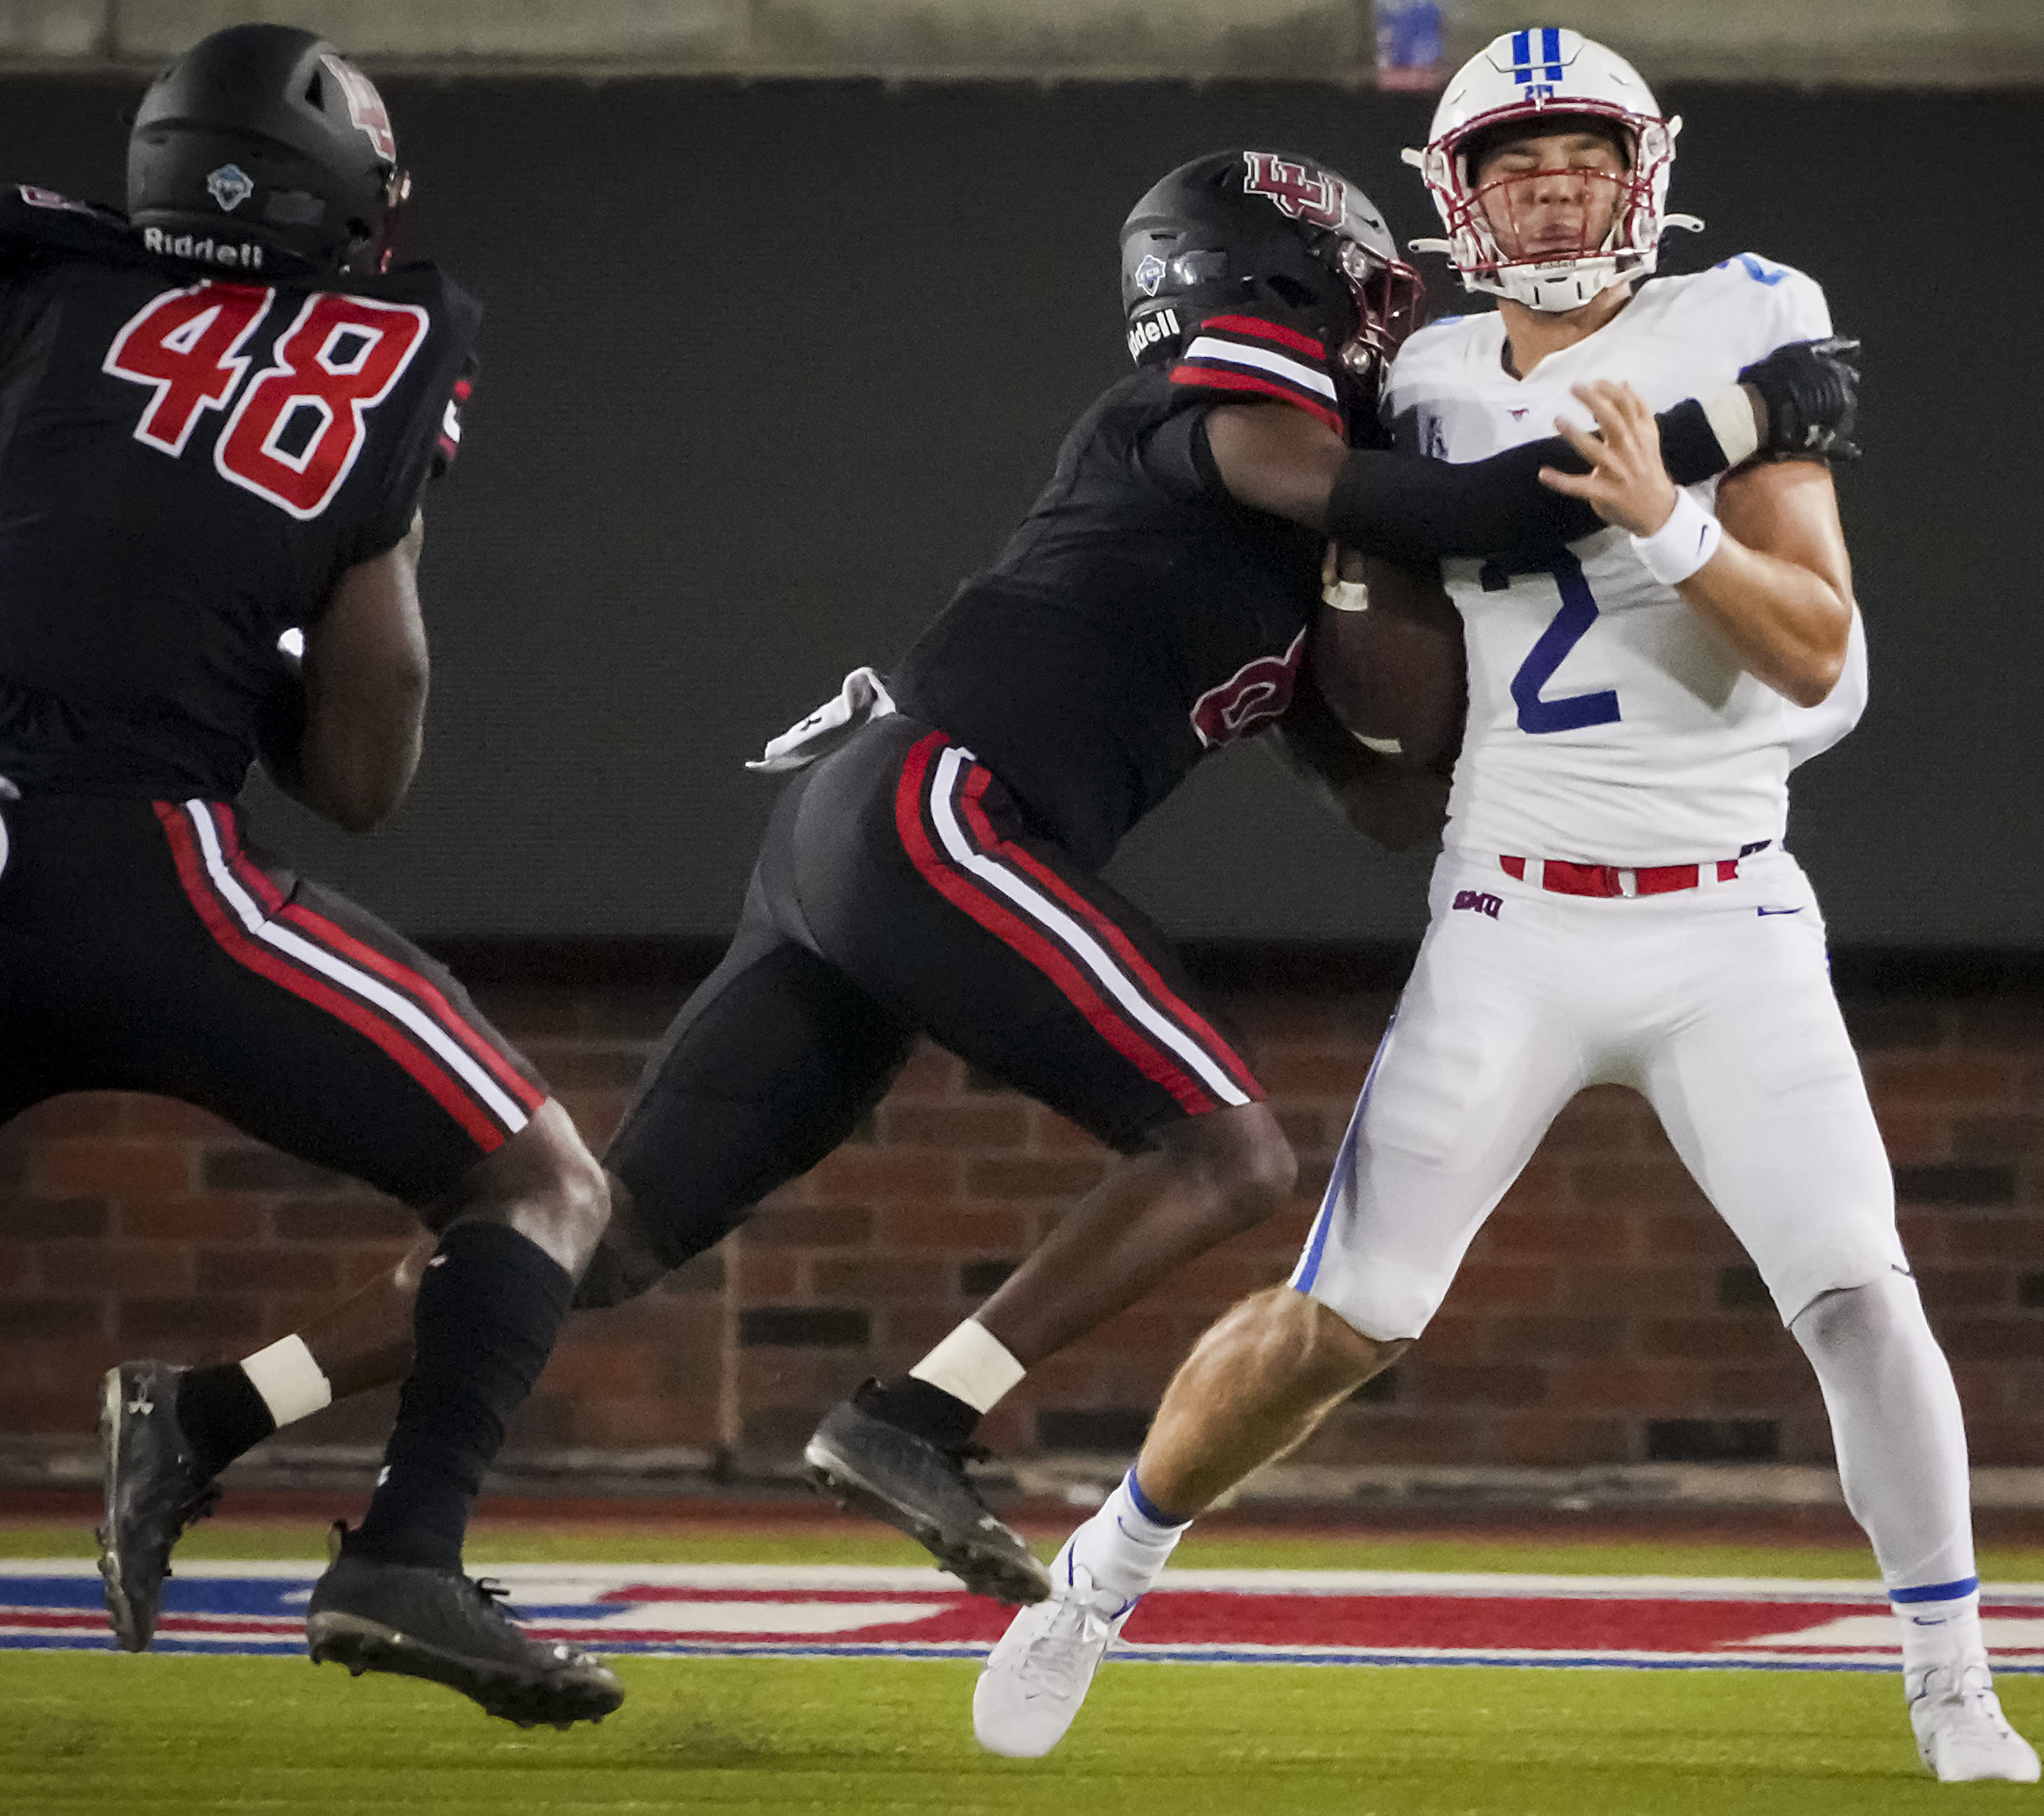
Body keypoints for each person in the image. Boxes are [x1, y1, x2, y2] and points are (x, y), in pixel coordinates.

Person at [95, 148, 1861, 1614]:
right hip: (940, 809)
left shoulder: (1318, 521)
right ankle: (913, 1416)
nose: (1388, 307)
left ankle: (205, 1408)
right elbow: (1447, 506)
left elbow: (1384, 794)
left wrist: (1382, 624)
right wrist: (1728, 429)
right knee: (1227, 1147)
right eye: (1359, 279)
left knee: (608, 1231)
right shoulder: (1221, 401)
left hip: (889, 832)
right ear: (1291, 279)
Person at [974, 27, 2042, 1786]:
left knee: (1861, 1289)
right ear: (1453, 201)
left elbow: (1823, 651)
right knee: (1351, 1311)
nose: (1555, 189)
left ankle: (1951, 1675)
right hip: (1511, 904)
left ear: (1651, 170)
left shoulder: (1742, 314)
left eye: (1584, 157)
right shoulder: (1417, 375)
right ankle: (1097, 1580)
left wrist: (1670, 525)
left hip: (1727, 913)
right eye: (1515, 163)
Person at [0, 24, 622, 1726]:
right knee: (541, 1188)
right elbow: (363, 763)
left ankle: (203, 1426)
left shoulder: (44, 276)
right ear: (345, 194)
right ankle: (404, 1555)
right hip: (135, 853)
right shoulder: (390, 338)